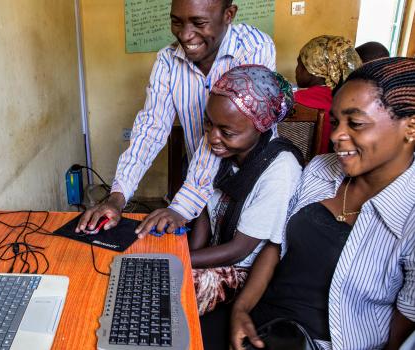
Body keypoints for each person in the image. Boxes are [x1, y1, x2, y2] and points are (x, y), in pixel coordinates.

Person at [230, 57, 415, 350]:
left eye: (355, 123)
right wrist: (240, 311)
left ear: (410, 127)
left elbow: (404, 327)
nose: (337, 135)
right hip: (264, 324)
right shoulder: (320, 170)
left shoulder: (410, 216)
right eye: (335, 121)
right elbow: (275, 247)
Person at [76, 0, 276, 235]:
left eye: (199, 23)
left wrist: (182, 205)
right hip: (201, 184)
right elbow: (151, 129)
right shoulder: (167, 61)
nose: (185, 35)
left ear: (228, 14)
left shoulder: (254, 48)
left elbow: (222, 135)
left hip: (251, 181)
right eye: (176, 22)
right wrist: (117, 197)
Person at [189, 65, 303, 349]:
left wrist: (181, 260)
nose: (213, 137)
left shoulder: (280, 170)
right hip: (213, 252)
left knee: (161, 289)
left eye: (226, 131)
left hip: (243, 271)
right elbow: (203, 203)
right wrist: (190, 253)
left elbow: (240, 249)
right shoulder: (222, 146)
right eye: (208, 124)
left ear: (260, 126)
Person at [294, 35, 362, 154]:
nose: (296, 70)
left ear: (314, 69)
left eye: (300, 64)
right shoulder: (355, 99)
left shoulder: (296, 100)